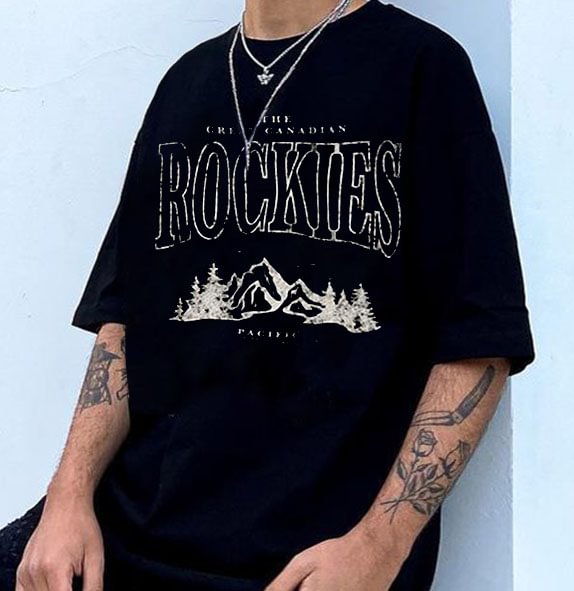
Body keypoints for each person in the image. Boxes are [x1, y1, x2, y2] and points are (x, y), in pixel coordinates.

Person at [0, 0, 535, 589]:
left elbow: (479, 339)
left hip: (300, 566)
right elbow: (124, 323)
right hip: (124, 538)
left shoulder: (422, 68)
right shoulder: (185, 82)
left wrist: (379, 546)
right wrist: (67, 500)